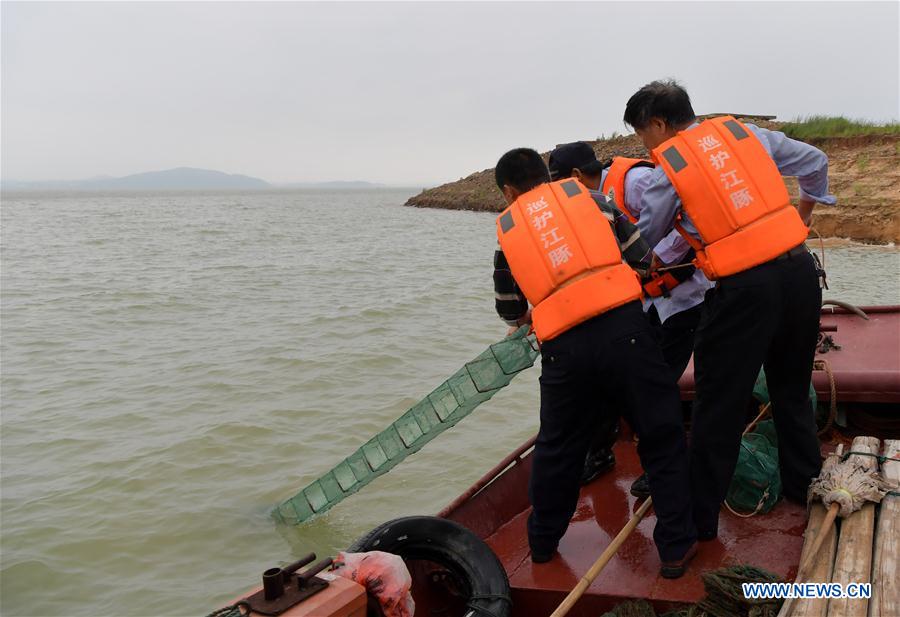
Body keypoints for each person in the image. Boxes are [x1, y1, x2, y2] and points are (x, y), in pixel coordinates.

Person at [623, 80, 834, 541]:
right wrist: (804, 214)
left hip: (744, 290)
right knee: (791, 390)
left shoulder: (671, 165)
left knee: (718, 404)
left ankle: (697, 528)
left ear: (658, 124)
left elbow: (646, 238)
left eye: (643, 135)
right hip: (800, 274)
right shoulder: (745, 133)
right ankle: (803, 488)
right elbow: (816, 161)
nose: (646, 146)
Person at [492, 147, 697, 577]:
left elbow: (511, 310)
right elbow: (643, 258)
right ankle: (676, 550)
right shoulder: (596, 200)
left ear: (509, 192)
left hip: (564, 350)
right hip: (627, 333)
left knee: (558, 447)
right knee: (660, 432)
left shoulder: (508, 234)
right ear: (547, 176)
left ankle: (542, 545)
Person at [549, 142, 712, 497]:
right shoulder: (584, 204)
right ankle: (600, 452)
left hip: (681, 300)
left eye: (559, 186)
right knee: (610, 376)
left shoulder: (635, 182)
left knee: (658, 385)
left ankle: (663, 467)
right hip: (638, 302)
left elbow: (694, 215)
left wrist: (655, 258)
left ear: (576, 176)